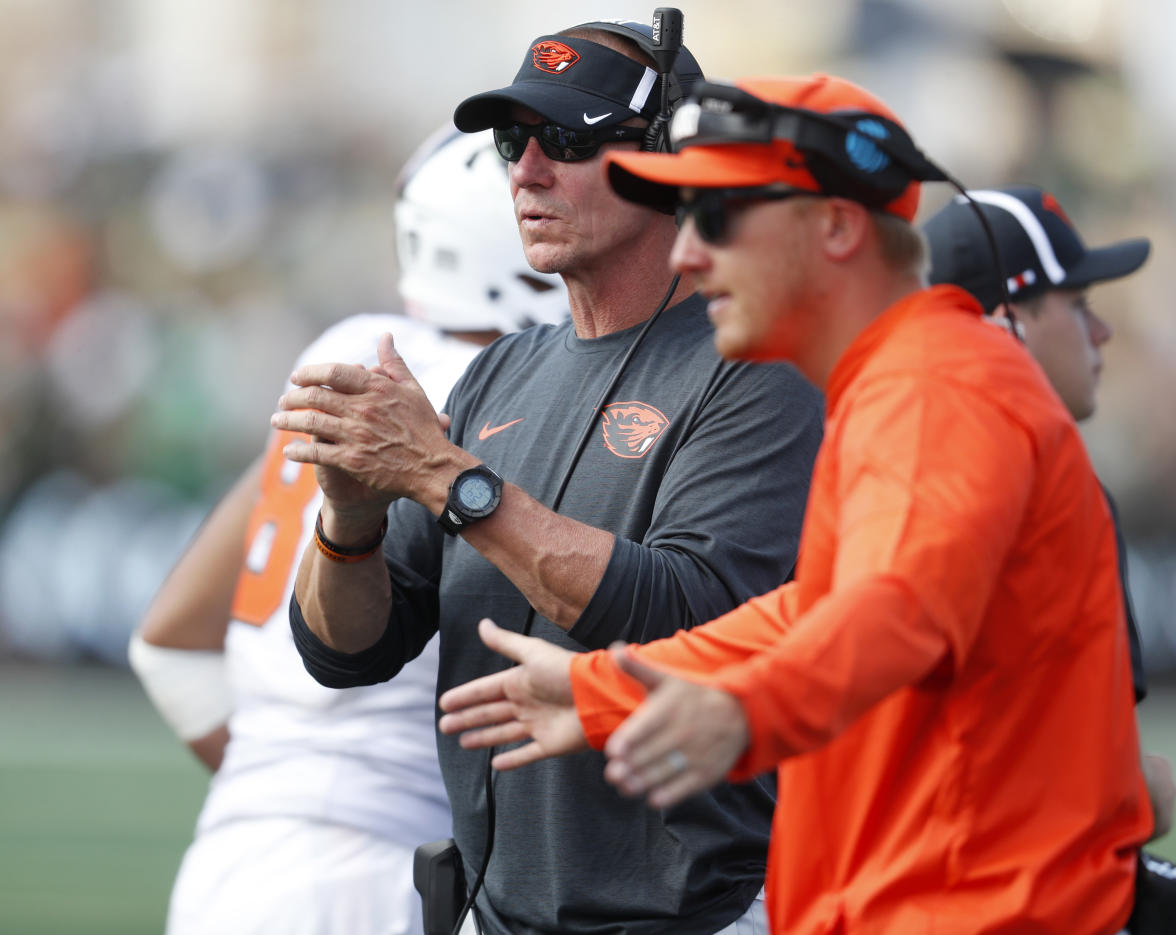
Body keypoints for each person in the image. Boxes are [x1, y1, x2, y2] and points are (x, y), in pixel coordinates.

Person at [437, 73, 1154, 934]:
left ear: (837, 226)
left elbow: (896, 613)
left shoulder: (935, 386)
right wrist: (605, 688)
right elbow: (816, 613)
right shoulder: (902, 382)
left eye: (720, 218)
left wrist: (738, 708)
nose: (688, 252)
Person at [274, 20, 824, 935]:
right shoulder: (501, 372)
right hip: (492, 914)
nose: (526, 171)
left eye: (567, 140)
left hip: (700, 914)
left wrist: (453, 480)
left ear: (670, 161)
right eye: (510, 143)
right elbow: (347, 652)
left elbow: (695, 614)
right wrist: (349, 519)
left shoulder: (758, 366)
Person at [129, 127, 567, 935]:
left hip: (234, 861)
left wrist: (295, 799)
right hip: (384, 871)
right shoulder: (504, 394)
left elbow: (166, 640)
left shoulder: (347, 351)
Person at [921, 184, 1176, 837]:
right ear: (1006, 324)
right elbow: (1102, 773)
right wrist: (1148, 789)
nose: (1101, 329)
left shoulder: (857, 453)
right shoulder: (1055, 488)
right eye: (1078, 304)